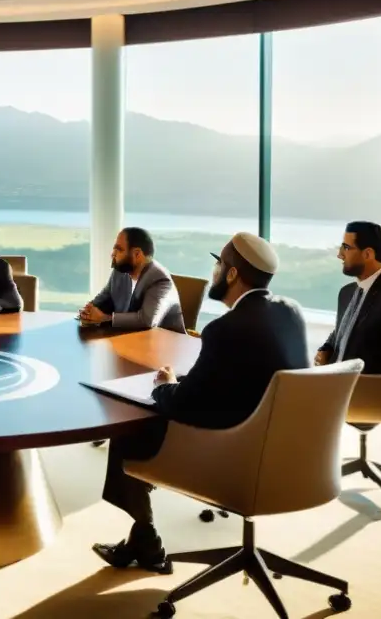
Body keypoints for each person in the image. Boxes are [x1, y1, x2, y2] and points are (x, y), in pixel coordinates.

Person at [92, 232, 308, 572]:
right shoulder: (291, 314)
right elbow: (241, 380)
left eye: (218, 264)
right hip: (285, 452)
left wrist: (165, 385)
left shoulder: (224, 329)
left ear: (233, 274)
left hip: (232, 454)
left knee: (131, 426)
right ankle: (142, 540)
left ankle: (147, 540)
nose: (214, 272)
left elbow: (187, 405)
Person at [316, 221, 381, 374]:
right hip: (335, 379)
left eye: (346, 247)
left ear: (368, 254)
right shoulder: (346, 293)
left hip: (363, 388)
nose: (340, 254)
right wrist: (326, 349)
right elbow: (341, 332)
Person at [79, 227, 186, 332]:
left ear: (137, 254)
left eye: (119, 249)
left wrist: (104, 318)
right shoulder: (120, 272)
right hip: (129, 339)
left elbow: (147, 320)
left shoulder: (160, 279)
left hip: (165, 344)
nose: (113, 254)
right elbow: (103, 299)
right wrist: (88, 312)